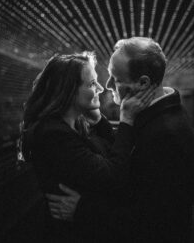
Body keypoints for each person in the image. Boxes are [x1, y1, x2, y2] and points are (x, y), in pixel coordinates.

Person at [47, 37, 194, 243]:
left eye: (116, 79)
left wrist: (82, 209)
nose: (107, 86)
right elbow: (124, 154)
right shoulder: (156, 115)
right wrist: (101, 122)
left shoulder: (167, 136)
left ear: (143, 83)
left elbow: (155, 221)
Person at [20, 52, 154, 243]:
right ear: (68, 91)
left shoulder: (74, 124)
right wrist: (127, 120)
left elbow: (113, 153)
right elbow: (113, 175)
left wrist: (100, 121)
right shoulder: (53, 134)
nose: (100, 88)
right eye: (92, 84)